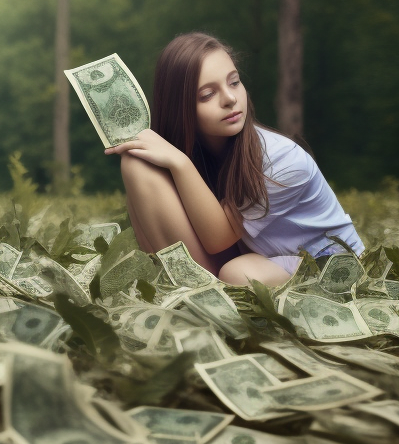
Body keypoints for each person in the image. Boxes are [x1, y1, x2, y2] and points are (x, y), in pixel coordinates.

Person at [105, 32, 362, 286]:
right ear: (179, 107)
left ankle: (201, 289)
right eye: (207, 95)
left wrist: (180, 163)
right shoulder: (201, 150)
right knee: (137, 162)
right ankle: (176, 284)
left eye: (234, 82)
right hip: (261, 256)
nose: (230, 99)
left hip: (325, 265)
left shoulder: (279, 159)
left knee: (237, 274)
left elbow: (218, 239)